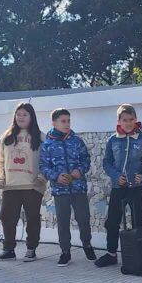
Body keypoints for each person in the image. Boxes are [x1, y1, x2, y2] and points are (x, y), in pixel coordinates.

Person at [96, 104, 142, 268]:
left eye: (131, 119)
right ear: (119, 121)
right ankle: (111, 253)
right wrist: (116, 176)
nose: (128, 123)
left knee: (137, 222)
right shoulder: (113, 140)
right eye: (125, 120)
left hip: (137, 188)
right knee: (113, 222)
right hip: (119, 188)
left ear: (136, 119)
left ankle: (138, 256)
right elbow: (107, 162)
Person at [40, 108, 94, 267]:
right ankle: (65, 251)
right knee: (63, 221)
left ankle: (87, 245)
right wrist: (56, 176)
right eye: (63, 121)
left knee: (83, 218)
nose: (66, 124)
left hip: (78, 188)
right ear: (54, 123)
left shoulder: (76, 141)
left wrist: (79, 172)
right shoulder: (48, 144)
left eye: (68, 121)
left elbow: (86, 160)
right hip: (60, 191)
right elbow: (43, 166)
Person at [0, 102, 46, 262]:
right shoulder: (6, 136)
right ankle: (9, 250)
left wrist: (42, 177)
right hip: (10, 185)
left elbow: (47, 160)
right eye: (18, 114)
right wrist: (0, 178)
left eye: (25, 114)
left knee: (32, 218)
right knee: (6, 217)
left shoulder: (41, 137)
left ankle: (31, 248)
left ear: (32, 117)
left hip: (32, 186)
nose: (21, 117)